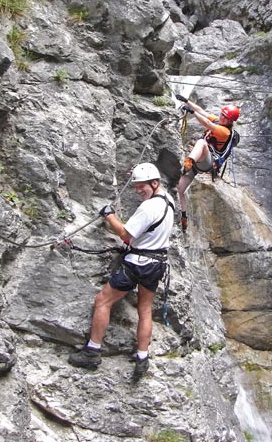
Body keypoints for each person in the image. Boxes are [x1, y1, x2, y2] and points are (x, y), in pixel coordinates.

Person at [68, 162, 175, 382]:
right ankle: (142, 357)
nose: (138, 191)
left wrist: (109, 215)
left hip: (138, 263)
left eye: (141, 186)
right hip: (157, 264)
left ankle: (92, 352)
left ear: (154, 183)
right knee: (145, 309)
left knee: (103, 301)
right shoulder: (169, 201)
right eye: (136, 187)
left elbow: (125, 234)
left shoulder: (149, 207)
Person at [175, 94, 240, 232]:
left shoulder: (224, 132)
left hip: (208, 163)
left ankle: (189, 161)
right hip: (199, 162)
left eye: (226, 118)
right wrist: (187, 101)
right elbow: (202, 111)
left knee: (201, 142)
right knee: (180, 189)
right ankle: (184, 216)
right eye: (222, 115)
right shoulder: (219, 121)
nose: (222, 118)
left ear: (230, 121)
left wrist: (191, 113)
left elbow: (206, 124)